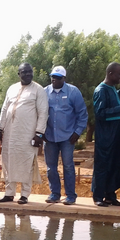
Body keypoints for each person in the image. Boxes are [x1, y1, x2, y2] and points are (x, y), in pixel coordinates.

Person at [0, 63, 48, 205]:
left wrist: (39, 133)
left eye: (29, 72)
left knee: (27, 163)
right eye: (24, 72)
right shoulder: (12, 88)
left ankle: (24, 195)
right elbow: (5, 108)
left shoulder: (38, 90)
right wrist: (0, 128)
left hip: (28, 134)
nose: (27, 74)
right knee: (8, 162)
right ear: (19, 74)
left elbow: (43, 112)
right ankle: (9, 193)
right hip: (9, 134)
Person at [41, 65, 88, 205]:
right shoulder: (44, 92)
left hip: (68, 137)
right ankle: (55, 193)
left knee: (68, 166)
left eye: (58, 77)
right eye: (53, 77)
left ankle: (70, 195)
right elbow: (39, 113)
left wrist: (77, 132)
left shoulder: (73, 92)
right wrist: (40, 131)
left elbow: (82, 115)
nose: (54, 80)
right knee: (50, 168)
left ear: (64, 78)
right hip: (49, 137)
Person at [92, 62, 120, 206]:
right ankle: (98, 197)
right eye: (119, 74)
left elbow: (111, 98)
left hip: (117, 134)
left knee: (115, 164)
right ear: (110, 74)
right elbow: (100, 113)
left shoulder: (111, 88)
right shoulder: (100, 90)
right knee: (103, 165)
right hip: (106, 136)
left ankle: (110, 195)